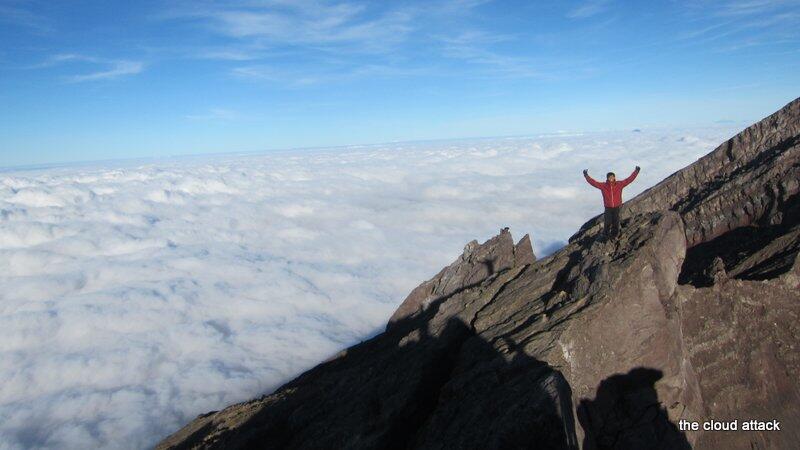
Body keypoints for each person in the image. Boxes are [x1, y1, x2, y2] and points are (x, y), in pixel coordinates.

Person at [583, 166, 640, 240]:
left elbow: (629, 180)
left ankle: (614, 235)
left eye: (612, 177)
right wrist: (586, 176)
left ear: (614, 177)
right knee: (607, 222)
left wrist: (636, 171)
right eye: (610, 177)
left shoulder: (619, 184)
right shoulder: (603, 186)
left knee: (616, 222)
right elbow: (593, 183)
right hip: (608, 207)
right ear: (607, 178)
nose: (611, 178)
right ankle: (605, 235)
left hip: (617, 207)